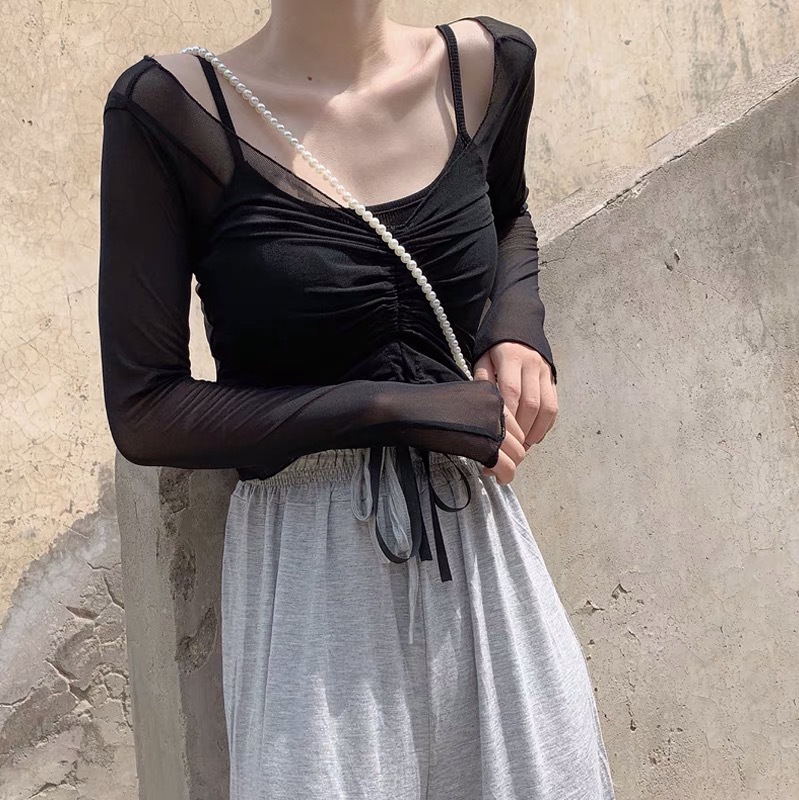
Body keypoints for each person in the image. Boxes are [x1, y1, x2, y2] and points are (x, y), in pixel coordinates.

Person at [98, 3, 616, 798]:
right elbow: (144, 409)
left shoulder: (485, 68)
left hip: (484, 558)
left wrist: (517, 327)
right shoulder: (172, 110)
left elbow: (509, 213)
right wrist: (387, 408)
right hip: (310, 586)